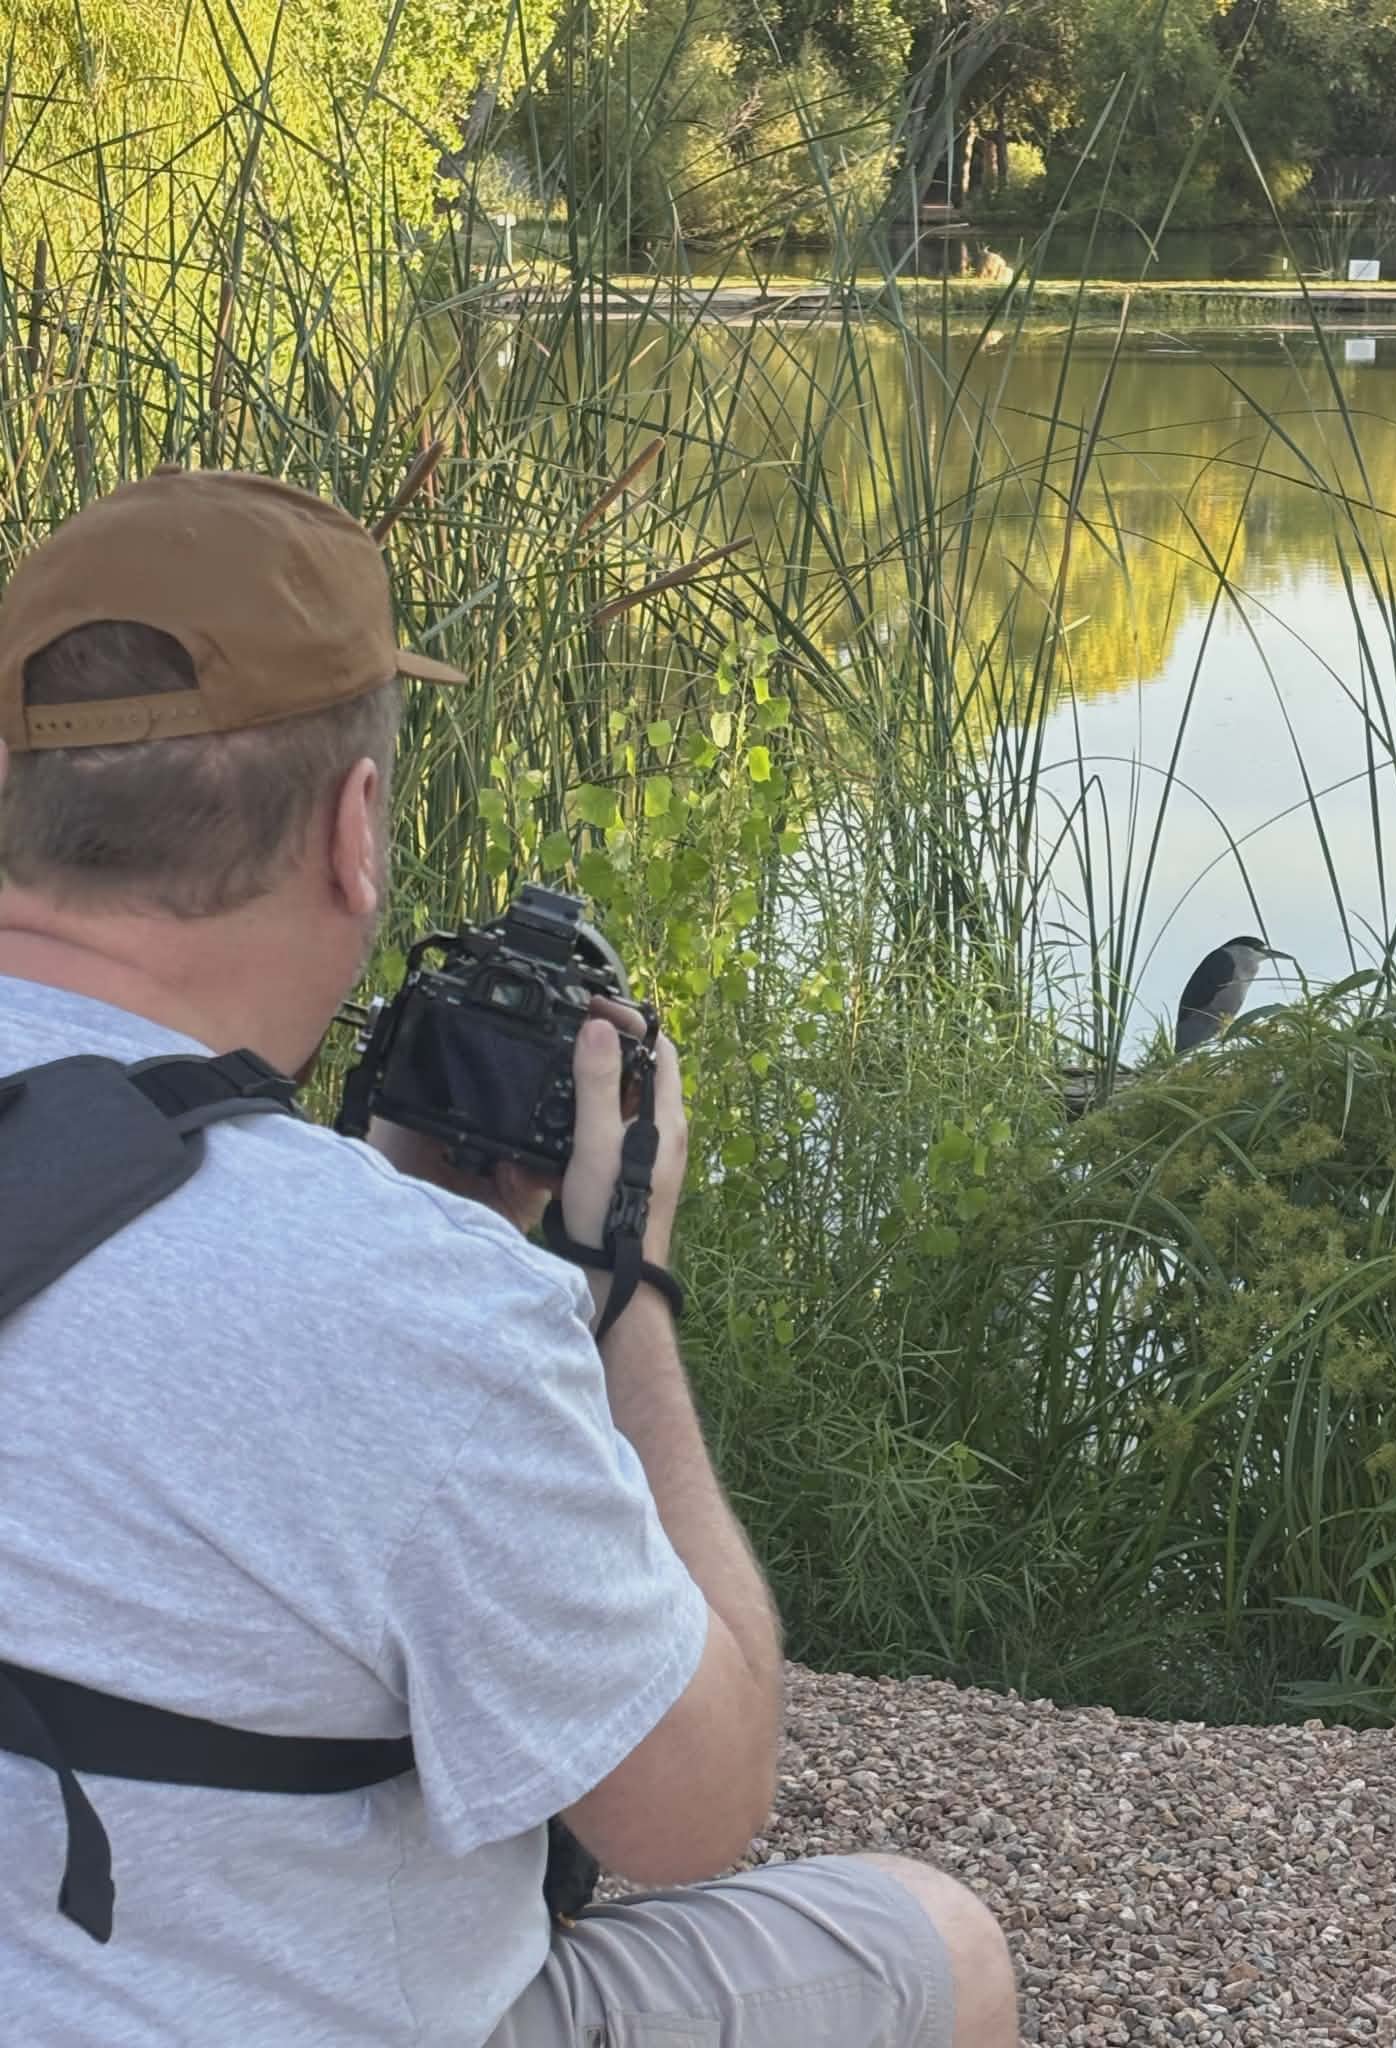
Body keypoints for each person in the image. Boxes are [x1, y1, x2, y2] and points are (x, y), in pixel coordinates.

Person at [0, 468, 1017, 2047]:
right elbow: (692, 1809)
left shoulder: (385, 1278)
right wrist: (624, 1301)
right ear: (354, 834)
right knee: (937, 1945)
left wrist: (383, 1211)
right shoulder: (417, 1310)